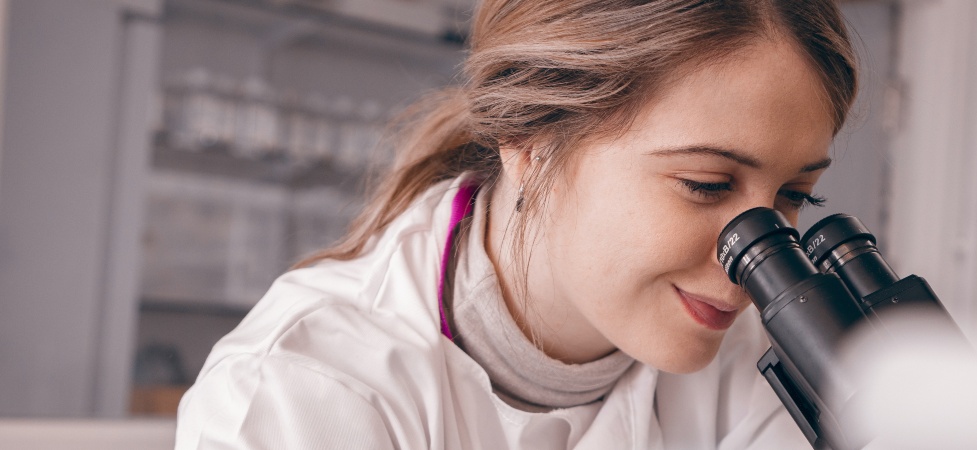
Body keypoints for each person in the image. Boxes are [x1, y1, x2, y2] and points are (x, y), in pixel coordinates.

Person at [175, 0, 857, 448]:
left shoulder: (753, 371)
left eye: (795, 196)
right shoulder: (306, 390)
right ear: (532, 148)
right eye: (706, 184)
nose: (754, 256)